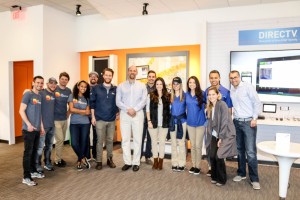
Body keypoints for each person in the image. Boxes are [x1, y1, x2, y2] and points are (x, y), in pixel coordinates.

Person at [229, 70, 262, 190]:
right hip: (237, 122)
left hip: (249, 123)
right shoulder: (232, 90)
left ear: (239, 77)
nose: (234, 80)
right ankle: (241, 173)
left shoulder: (248, 87)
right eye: (231, 78)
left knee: (251, 152)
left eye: (235, 77)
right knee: (239, 150)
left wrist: (254, 118)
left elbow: (257, 102)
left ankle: (254, 179)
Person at [116, 65, 147, 172]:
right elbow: (118, 101)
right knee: (125, 139)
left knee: (138, 139)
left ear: (136, 73)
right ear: (128, 72)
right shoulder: (121, 86)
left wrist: (135, 109)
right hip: (125, 114)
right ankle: (127, 162)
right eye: (130, 70)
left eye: (134, 71)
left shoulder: (142, 86)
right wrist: (128, 109)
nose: (132, 72)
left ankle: (136, 162)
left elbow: (143, 101)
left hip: (138, 114)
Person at [206, 86, 237, 186]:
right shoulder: (210, 106)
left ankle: (222, 179)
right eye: (209, 95)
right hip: (215, 135)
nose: (211, 96)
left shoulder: (222, 104)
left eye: (213, 94)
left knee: (219, 156)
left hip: (225, 134)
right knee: (212, 155)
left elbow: (224, 122)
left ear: (218, 95)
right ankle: (214, 177)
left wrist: (221, 137)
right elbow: (210, 123)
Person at [204, 70, 233, 176]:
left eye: (215, 78)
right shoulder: (206, 91)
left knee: (220, 148)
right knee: (209, 147)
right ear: (209, 79)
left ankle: (221, 169)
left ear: (219, 78)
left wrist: (227, 126)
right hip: (210, 125)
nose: (213, 80)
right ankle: (211, 167)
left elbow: (229, 109)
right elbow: (205, 106)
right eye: (211, 78)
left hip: (221, 126)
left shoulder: (226, 92)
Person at [90, 68, 119, 170]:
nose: (108, 77)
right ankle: (99, 161)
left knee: (110, 140)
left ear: (112, 76)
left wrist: (117, 112)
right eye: (106, 75)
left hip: (111, 119)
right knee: (99, 141)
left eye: (110, 75)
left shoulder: (115, 89)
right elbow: (92, 104)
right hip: (99, 119)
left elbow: (118, 102)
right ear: (103, 76)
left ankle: (109, 159)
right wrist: (93, 117)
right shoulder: (96, 88)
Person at [19, 76, 45, 186]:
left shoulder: (39, 96)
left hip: (37, 129)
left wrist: (42, 127)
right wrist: (29, 124)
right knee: (28, 153)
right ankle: (26, 177)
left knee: (34, 152)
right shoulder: (28, 94)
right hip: (28, 129)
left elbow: (39, 114)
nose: (39, 84)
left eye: (41, 83)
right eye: (38, 82)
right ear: (33, 83)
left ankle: (33, 171)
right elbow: (21, 110)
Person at [146, 77, 170, 170]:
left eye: (161, 84)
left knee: (162, 143)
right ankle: (155, 161)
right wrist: (149, 121)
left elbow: (169, 110)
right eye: (157, 84)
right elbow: (147, 110)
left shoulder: (167, 95)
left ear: (163, 85)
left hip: (164, 124)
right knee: (154, 143)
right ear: (155, 85)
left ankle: (161, 162)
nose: (159, 86)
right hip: (153, 123)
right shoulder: (150, 95)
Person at [35, 77, 57, 173]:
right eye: (51, 83)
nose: (53, 85)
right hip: (43, 126)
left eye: (54, 83)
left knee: (49, 146)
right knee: (40, 147)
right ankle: (37, 164)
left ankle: (47, 162)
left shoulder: (54, 94)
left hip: (52, 125)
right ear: (47, 84)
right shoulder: (41, 93)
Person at [68, 80, 91, 171]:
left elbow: (88, 112)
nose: (83, 88)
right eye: (81, 86)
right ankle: (83, 158)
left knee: (83, 142)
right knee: (74, 143)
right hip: (74, 123)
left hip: (85, 123)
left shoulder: (87, 98)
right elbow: (71, 109)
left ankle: (79, 162)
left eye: (85, 87)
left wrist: (77, 110)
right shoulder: (72, 96)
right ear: (78, 86)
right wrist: (82, 111)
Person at [186, 76, 206, 175]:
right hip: (190, 123)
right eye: (190, 82)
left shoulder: (202, 94)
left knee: (198, 146)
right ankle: (193, 165)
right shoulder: (186, 95)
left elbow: (209, 106)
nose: (192, 84)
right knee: (193, 146)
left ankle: (198, 166)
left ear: (196, 83)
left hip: (200, 123)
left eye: (193, 82)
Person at [54, 72, 72, 167]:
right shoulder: (54, 88)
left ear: (68, 81)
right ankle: (57, 160)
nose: (64, 80)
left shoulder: (68, 91)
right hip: (55, 119)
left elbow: (71, 104)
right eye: (62, 79)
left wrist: (68, 113)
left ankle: (59, 158)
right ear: (59, 79)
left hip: (64, 119)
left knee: (61, 139)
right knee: (60, 139)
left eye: (66, 79)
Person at [169, 77, 187, 172]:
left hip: (182, 122)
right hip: (172, 122)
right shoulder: (170, 96)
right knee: (173, 143)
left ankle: (182, 163)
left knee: (181, 143)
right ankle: (174, 162)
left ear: (180, 84)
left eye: (177, 83)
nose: (175, 85)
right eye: (174, 83)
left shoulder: (185, 95)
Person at [141, 70, 156, 164]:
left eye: (153, 76)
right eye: (149, 76)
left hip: (153, 117)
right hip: (142, 116)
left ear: (155, 77)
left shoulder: (158, 88)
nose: (151, 78)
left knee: (150, 138)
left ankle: (148, 156)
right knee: (140, 137)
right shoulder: (142, 88)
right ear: (147, 77)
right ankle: (138, 156)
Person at [87, 71, 99, 161]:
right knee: (85, 136)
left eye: (95, 76)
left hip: (97, 116)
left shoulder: (100, 88)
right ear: (89, 78)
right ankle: (87, 155)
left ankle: (95, 155)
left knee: (96, 136)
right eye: (91, 76)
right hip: (86, 115)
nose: (93, 78)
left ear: (97, 78)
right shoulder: (85, 88)